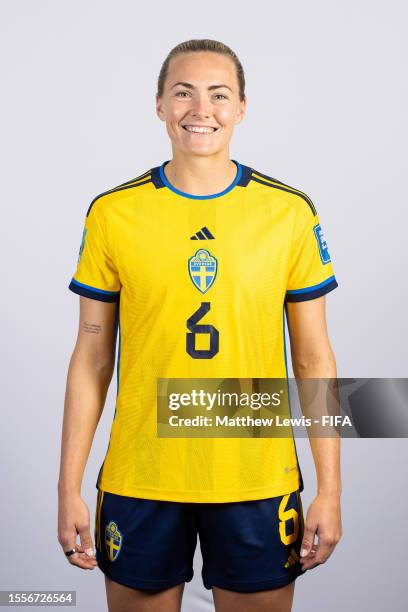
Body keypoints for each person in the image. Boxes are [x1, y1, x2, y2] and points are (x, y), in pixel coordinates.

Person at [58, 39, 342, 612]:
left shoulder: (288, 212)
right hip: (142, 478)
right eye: (183, 93)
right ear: (160, 104)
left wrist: (330, 490)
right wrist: (68, 487)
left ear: (241, 108)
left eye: (218, 95)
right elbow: (91, 358)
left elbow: (313, 360)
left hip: (255, 478)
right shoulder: (113, 212)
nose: (200, 110)